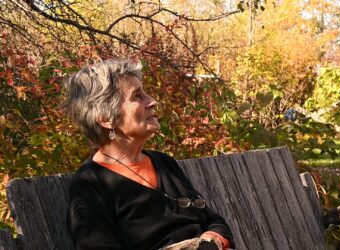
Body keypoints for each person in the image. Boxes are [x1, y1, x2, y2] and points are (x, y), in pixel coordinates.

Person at [63, 58, 234, 250]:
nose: (153, 102)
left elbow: (212, 219)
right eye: (137, 96)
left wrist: (212, 240)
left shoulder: (164, 163)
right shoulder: (91, 185)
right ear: (105, 118)